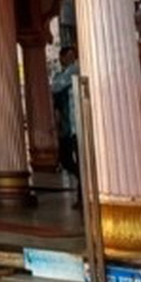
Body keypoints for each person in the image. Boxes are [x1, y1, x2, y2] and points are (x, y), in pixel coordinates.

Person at [51, 46, 81, 208]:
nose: (70, 59)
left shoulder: (74, 70)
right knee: (67, 159)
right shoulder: (62, 72)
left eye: (72, 55)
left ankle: (84, 191)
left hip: (77, 125)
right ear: (62, 58)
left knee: (77, 159)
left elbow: (55, 86)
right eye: (67, 56)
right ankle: (83, 186)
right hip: (67, 126)